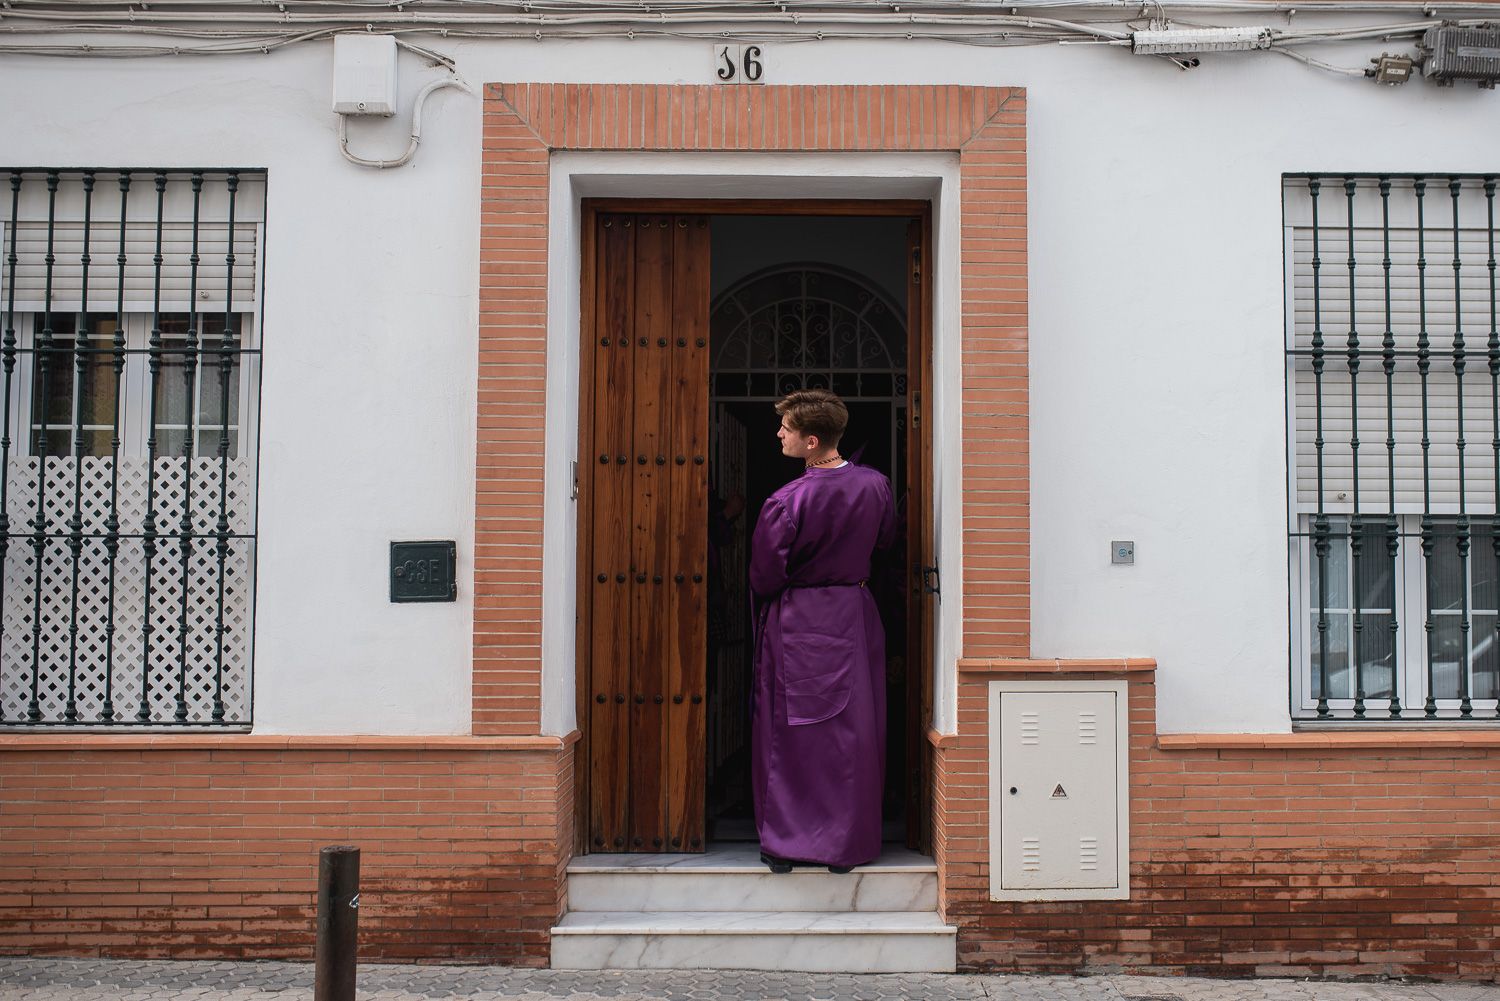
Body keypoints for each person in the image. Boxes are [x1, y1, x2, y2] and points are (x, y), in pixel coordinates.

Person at [748, 389, 896, 874]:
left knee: (787, 734)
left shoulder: (786, 501)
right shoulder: (876, 487)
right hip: (852, 613)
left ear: (811, 441)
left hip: (797, 621)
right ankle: (843, 848)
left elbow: (764, 575)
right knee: (851, 733)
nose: (779, 435)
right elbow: (886, 541)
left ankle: (785, 845)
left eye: (786, 429)